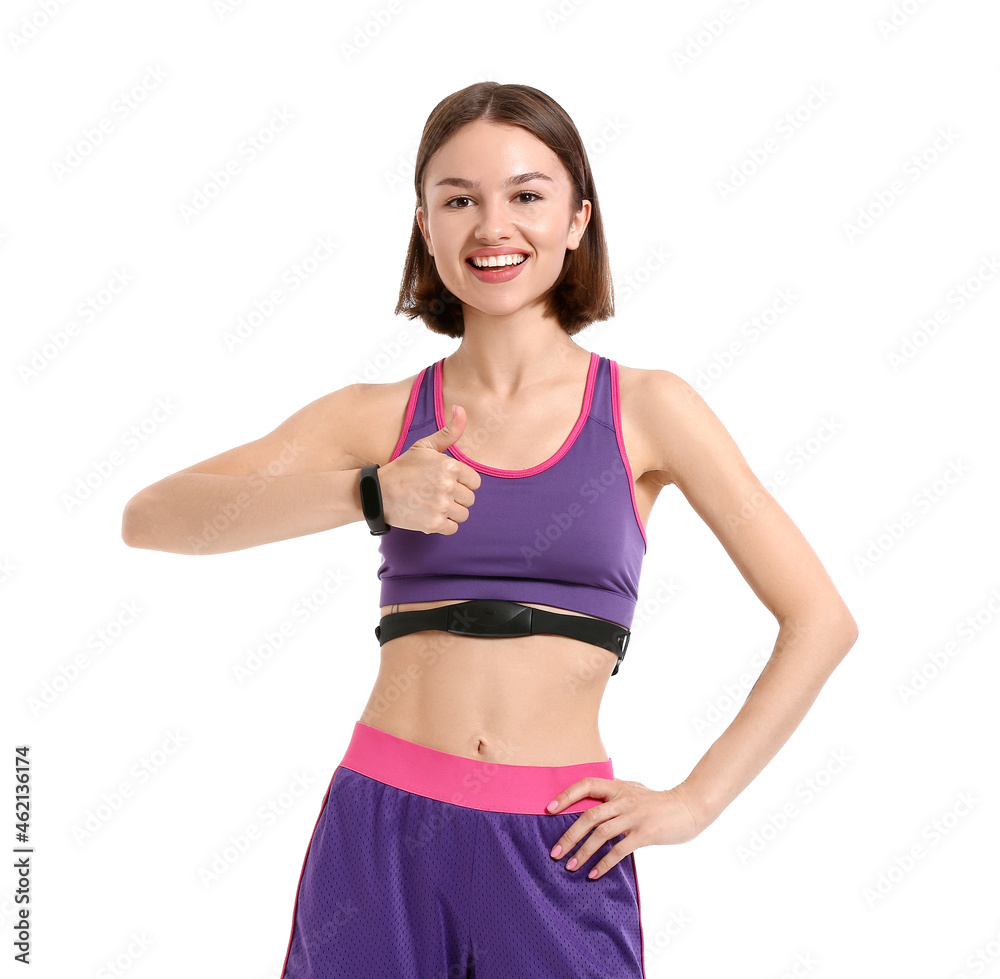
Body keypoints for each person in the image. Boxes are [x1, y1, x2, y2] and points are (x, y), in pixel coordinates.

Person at [121, 81, 858, 978]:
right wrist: (370, 494)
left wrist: (695, 801)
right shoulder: (380, 415)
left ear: (578, 219)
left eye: (526, 195)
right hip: (381, 833)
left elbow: (820, 620)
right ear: (425, 227)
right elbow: (153, 518)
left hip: (560, 845)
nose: (491, 226)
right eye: (458, 199)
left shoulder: (650, 410)